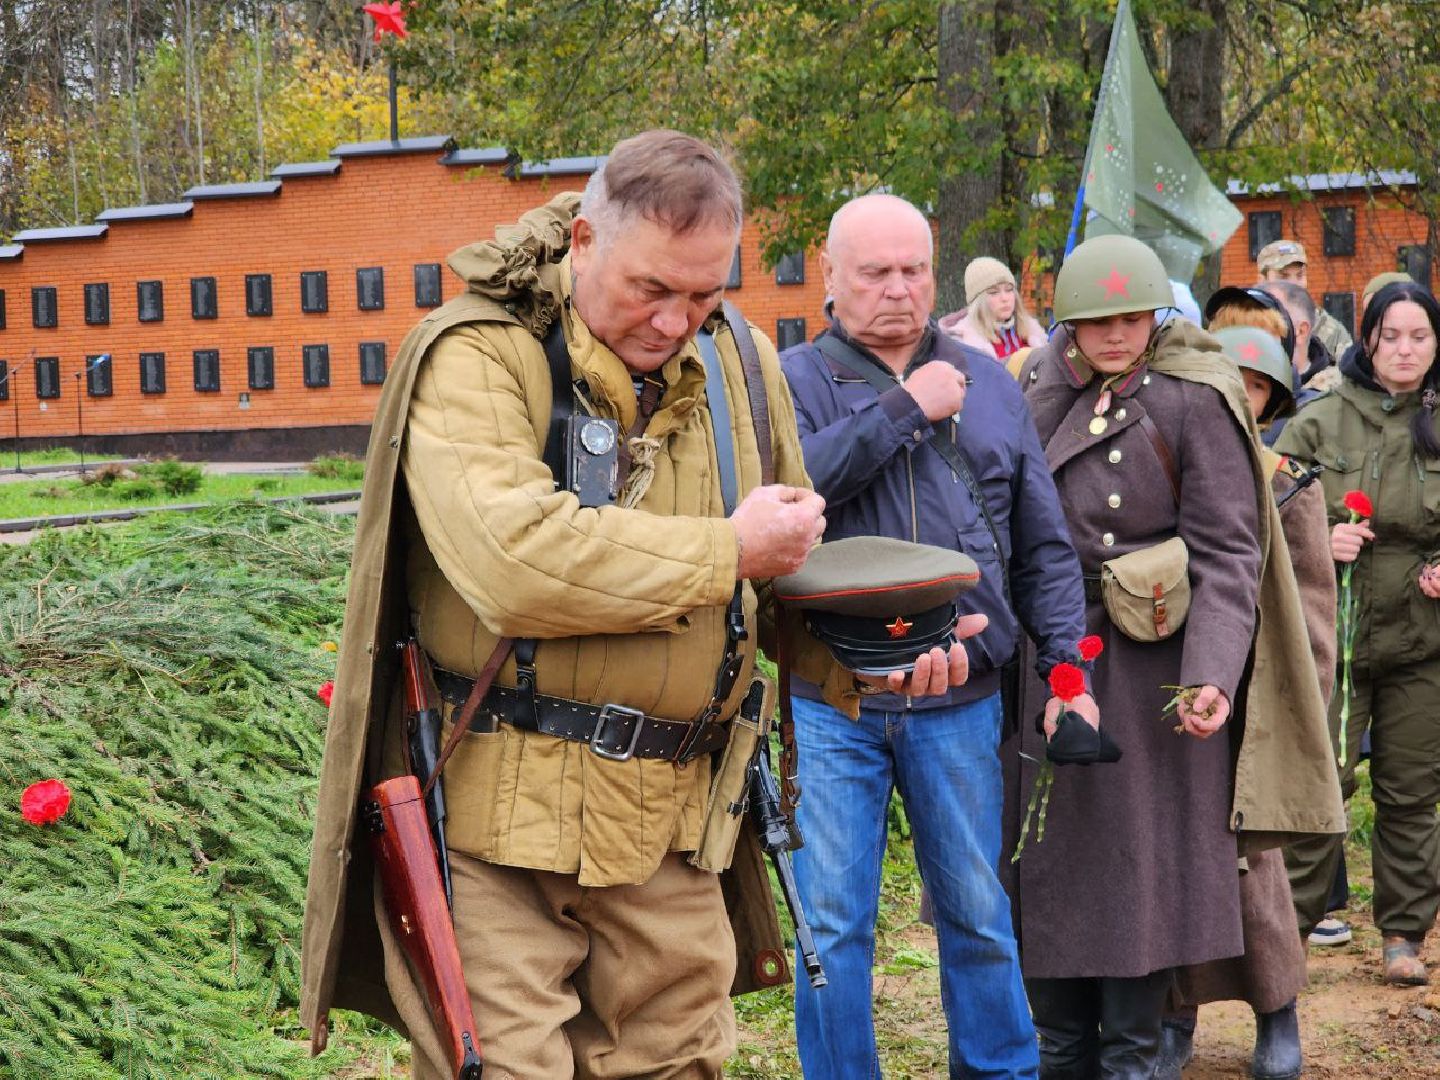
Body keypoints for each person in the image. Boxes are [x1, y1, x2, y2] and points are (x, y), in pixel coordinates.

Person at [296, 131, 981, 1079]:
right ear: (583, 242)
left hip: (673, 832)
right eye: (652, 291)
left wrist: (883, 649)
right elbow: (515, 560)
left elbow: (780, 578)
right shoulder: (478, 356)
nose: (675, 322)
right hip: (500, 831)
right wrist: (725, 548)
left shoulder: (739, 359)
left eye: (703, 296)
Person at [1011, 234, 1342, 1080]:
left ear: (1154, 316)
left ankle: (1133, 1058)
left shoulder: (1195, 396)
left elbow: (1230, 554)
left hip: (1153, 674)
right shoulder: (1033, 389)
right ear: (1068, 324)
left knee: (1139, 901)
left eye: (1130, 319)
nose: (1115, 337)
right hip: (1050, 664)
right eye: (1096, 322)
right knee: (1047, 901)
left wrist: (1211, 676)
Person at [781, 193, 1091, 1079]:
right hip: (836, 696)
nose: (897, 289)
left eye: (913, 269)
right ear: (831, 276)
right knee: (833, 922)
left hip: (963, 696)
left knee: (977, 913)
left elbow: (1042, 542)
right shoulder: (791, 381)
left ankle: (1001, 1072)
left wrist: (1070, 670)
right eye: (874, 272)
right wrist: (906, 409)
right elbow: (794, 495)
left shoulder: (992, 379)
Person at [1157, 327, 1338, 1080]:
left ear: (1270, 400)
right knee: (1167, 860)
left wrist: (1300, 704)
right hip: (1178, 683)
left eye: (1255, 386)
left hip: (1257, 695)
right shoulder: (1169, 461)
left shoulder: (1290, 479)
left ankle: (1277, 1009)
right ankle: (1172, 1016)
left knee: (1251, 867)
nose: (1238, 396)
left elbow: (1315, 610)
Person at [1275, 281, 1440, 987]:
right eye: (1391, 335)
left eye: (1420, 336)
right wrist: (1321, 537)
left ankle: (1403, 934)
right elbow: (1261, 505)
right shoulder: (1320, 419)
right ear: (1366, 340)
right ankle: (1287, 935)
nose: (1405, 349)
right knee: (1319, 788)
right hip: (1330, 642)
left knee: (1411, 793)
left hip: (1422, 643)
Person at [1257, 238, 1354, 359]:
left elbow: (1349, 374)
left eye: (1300, 275)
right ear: (1262, 281)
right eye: (1283, 276)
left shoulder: (1331, 332)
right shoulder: (1246, 327)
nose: (1294, 284)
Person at [939, 255, 1048, 363]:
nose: (1004, 298)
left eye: (1009, 290)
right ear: (979, 301)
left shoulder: (1034, 334)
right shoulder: (965, 343)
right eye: (994, 292)